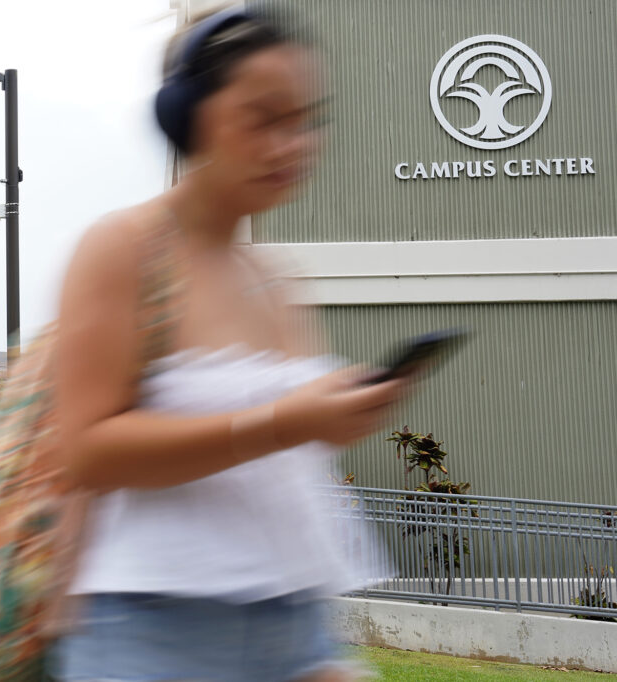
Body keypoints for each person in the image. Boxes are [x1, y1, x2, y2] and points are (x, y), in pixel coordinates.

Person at [48, 9, 407, 682]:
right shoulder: (123, 250)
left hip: (296, 625)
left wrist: (341, 414)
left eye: (305, 119)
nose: (292, 143)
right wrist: (286, 421)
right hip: (154, 630)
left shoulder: (275, 279)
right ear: (190, 118)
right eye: (264, 118)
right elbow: (88, 451)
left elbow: (285, 469)